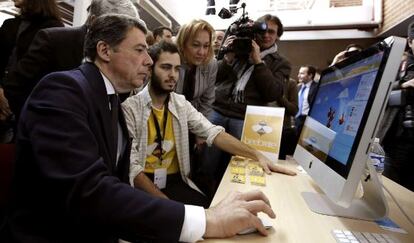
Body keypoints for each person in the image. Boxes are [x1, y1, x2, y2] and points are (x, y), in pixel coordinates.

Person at [0, 14, 282, 243]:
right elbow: (91, 191)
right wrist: (206, 220)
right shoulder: (63, 90)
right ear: (104, 50)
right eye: (140, 50)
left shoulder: (109, 98)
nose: (149, 61)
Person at [122, 41, 296, 207]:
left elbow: (213, 132)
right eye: (166, 67)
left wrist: (258, 155)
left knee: (212, 211)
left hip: (175, 180)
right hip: (143, 185)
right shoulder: (130, 107)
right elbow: (133, 168)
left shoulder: (180, 103)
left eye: (176, 69)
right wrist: (170, 208)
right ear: (150, 69)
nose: (173, 75)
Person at [2, 0, 140, 123]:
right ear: (94, 21)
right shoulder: (54, 40)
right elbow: (16, 87)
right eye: (117, 31)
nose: (123, 39)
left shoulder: (122, 56)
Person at [200, 14, 289, 192]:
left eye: (271, 32)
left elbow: (272, 93)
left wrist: (258, 62)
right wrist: (227, 58)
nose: (266, 36)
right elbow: (213, 78)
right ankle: (203, 194)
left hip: (245, 118)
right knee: (206, 163)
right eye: (262, 31)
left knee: (237, 165)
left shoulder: (281, 63)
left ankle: (228, 195)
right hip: (218, 110)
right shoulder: (240, 49)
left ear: (278, 35)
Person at [0, 0, 63, 141]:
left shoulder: (54, 29)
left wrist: (9, 98)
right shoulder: (10, 25)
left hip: (30, 116)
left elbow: (50, 79)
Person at [379, 22, 414, 191]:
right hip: (395, 138)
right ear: (410, 41)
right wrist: (403, 85)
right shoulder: (397, 66)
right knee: (392, 189)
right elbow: (377, 92)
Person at [295, 65, 318, 135]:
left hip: (307, 121)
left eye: (302, 73)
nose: (298, 76)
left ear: (310, 75)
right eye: (299, 73)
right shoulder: (297, 87)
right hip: (295, 120)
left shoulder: (316, 87)